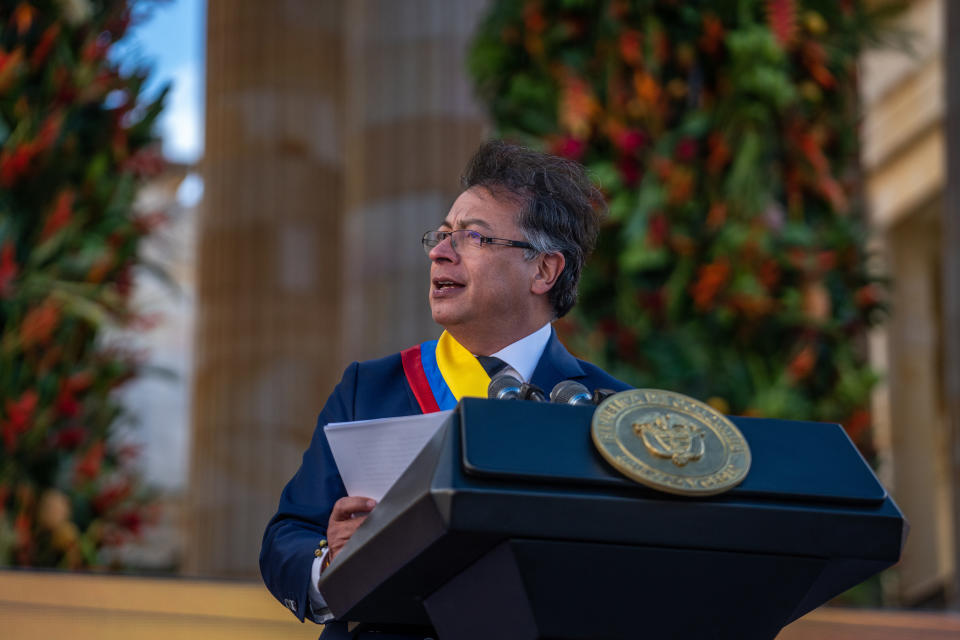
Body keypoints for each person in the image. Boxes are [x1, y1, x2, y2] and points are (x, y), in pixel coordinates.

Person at [259, 140, 630, 639]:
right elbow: (287, 536)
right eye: (442, 234)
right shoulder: (367, 388)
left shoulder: (614, 411)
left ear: (544, 270)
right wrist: (330, 565)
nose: (439, 252)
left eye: (473, 238)